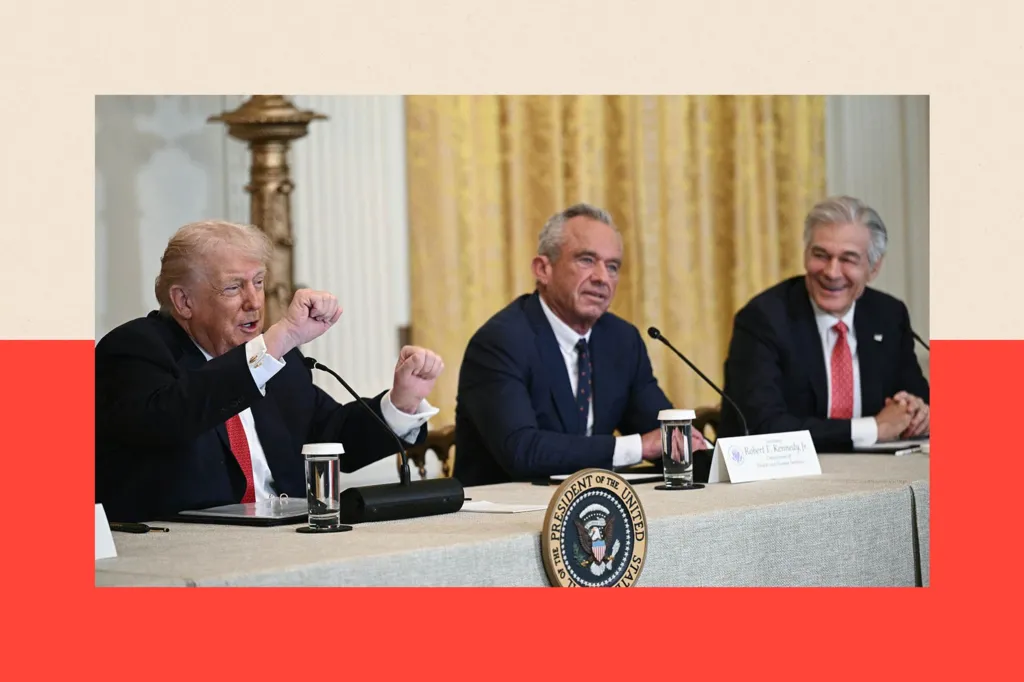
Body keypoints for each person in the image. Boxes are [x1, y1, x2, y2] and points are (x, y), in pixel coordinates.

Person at [95, 220, 445, 522]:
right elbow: (174, 416)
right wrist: (277, 343)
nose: (254, 301)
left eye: (258, 282)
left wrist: (401, 402)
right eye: (234, 287)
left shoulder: (278, 360)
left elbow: (332, 436)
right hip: (186, 548)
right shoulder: (134, 349)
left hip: (286, 539)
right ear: (184, 301)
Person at [453, 203, 708, 487]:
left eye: (612, 267)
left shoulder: (621, 340)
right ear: (543, 269)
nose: (602, 278)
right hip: (499, 516)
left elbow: (660, 431)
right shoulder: (501, 342)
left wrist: (704, 453)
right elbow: (522, 450)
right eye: (587, 260)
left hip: (591, 507)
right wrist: (637, 448)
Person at [717, 196, 929, 452]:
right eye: (821, 255)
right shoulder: (764, 318)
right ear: (806, 254)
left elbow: (917, 398)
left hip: (876, 474)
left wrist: (917, 412)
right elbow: (762, 426)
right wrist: (873, 428)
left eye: (848, 259)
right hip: (783, 480)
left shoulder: (888, 315)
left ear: (873, 268)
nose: (832, 272)